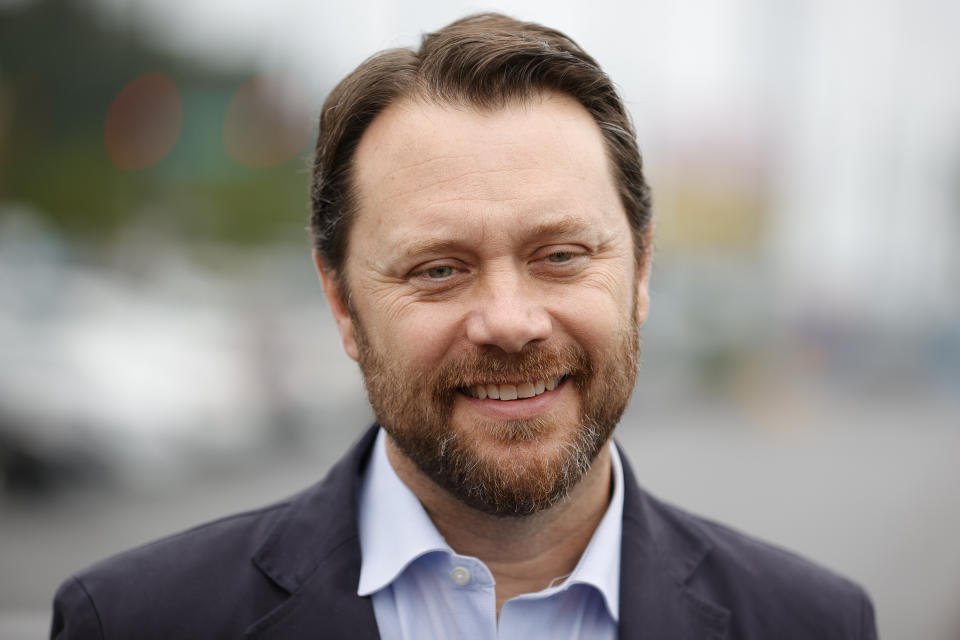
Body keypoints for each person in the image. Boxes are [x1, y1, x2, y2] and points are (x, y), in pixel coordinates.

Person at [51, 13, 877, 640]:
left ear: (642, 271)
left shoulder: (814, 623)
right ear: (341, 301)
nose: (510, 323)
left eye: (560, 255)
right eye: (438, 269)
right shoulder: (134, 620)